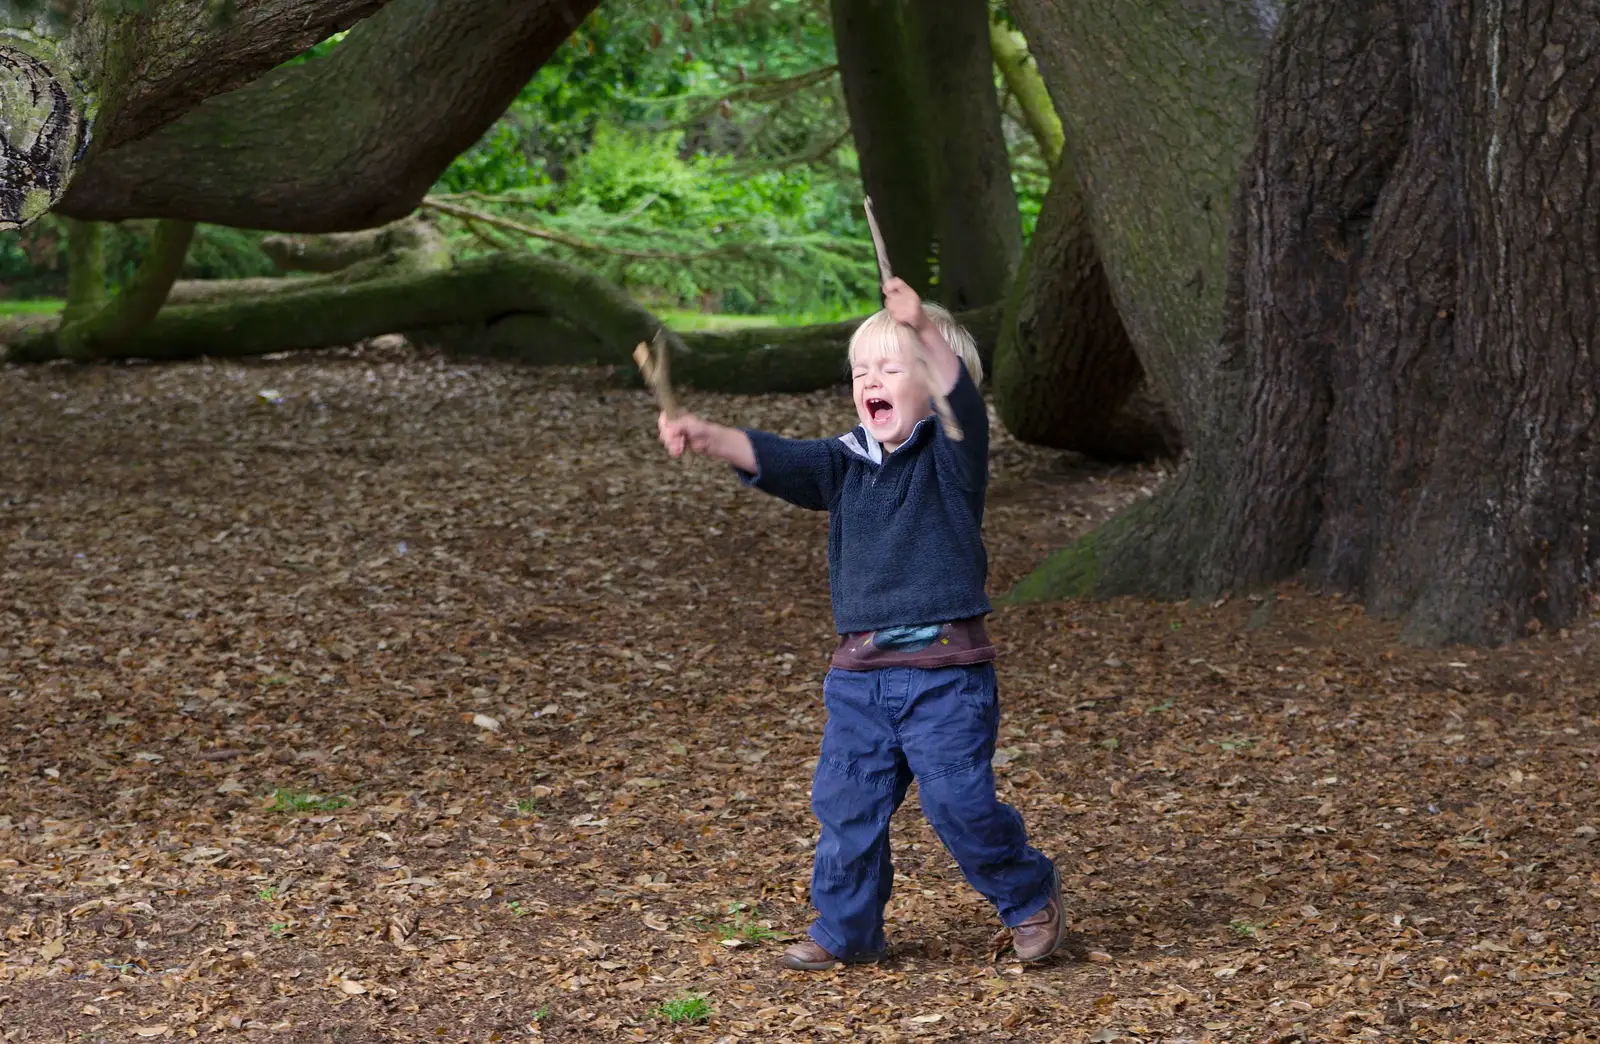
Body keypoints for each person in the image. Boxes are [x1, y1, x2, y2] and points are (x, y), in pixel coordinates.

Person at [656, 279, 1064, 970]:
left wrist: (927, 333)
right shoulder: (844, 463)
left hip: (945, 678)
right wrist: (709, 437)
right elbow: (780, 458)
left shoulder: (952, 455)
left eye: (892, 367)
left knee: (958, 805)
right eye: (860, 371)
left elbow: (963, 396)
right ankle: (848, 929)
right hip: (860, 681)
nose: (870, 381)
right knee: (848, 809)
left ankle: (1029, 897)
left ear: (931, 386)